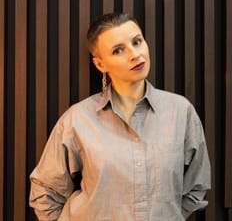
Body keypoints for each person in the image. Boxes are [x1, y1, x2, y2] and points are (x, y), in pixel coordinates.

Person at [29, 12, 211, 220]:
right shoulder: (78, 119)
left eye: (137, 41)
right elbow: (45, 191)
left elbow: (197, 185)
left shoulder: (180, 112)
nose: (135, 54)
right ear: (100, 65)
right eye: (118, 50)